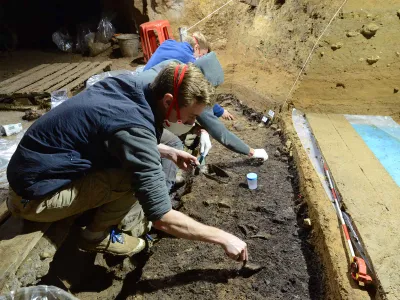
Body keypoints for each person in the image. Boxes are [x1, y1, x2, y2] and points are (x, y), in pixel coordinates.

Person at [7, 62, 248, 262]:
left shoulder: (135, 84)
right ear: (167, 100)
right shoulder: (135, 127)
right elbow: (162, 217)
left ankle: (98, 217)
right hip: (33, 198)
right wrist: (224, 238)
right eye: (192, 116)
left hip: (37, 166)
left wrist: (166, 151)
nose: (191, 122)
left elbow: (113, 132)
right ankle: (94, 236)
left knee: (142, 161)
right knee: (132, 177)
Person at [137, 52, 269, 190]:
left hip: (145, 108)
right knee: (173, 143)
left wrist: (201, 129)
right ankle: (165, 186)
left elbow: (206, 110)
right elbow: (221, 133)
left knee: (174, 140)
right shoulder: (190, 94)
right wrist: (251, 151)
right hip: (141, 120)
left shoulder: (178, 69)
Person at [144, 32, 233, 122]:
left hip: (144, 76)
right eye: (202, 55)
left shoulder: (169, 42)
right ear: (196, 48)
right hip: (151, 99)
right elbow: (202, 92)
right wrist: (221, 111)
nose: (200, 59)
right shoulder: (189, 61)